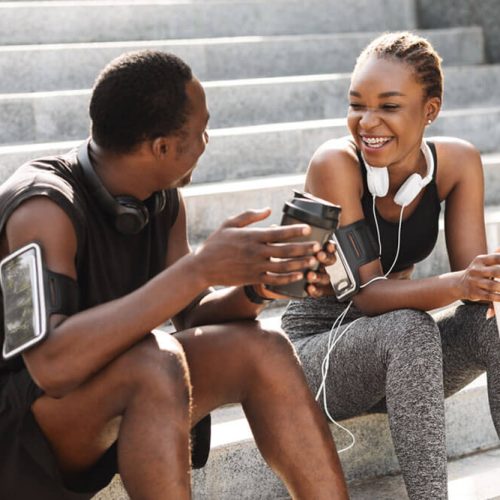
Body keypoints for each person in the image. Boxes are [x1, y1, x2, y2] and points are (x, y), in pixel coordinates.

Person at [0, 50, 349, 499]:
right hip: (21, 426)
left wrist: (255, 286)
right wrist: (199, 269)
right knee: (155, 360)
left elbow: (191, 317)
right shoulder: (41, 208)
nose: (208, 140)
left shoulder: (161, 201)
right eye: (202, 130)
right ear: (161, 147)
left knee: (263, 348)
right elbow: (50, 365)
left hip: (115, 386)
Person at [281, 31, 500, 500]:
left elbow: (475, 292)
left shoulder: (457, 162)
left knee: (490, 324)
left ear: (430, 111)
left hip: (403, 366)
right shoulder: (335, 163)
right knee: (410, 327)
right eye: (357, 104)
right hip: (318, 356)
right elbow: (368, 295)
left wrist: (488, 284)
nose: (367, 121)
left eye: (389, 106)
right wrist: (463, 282)